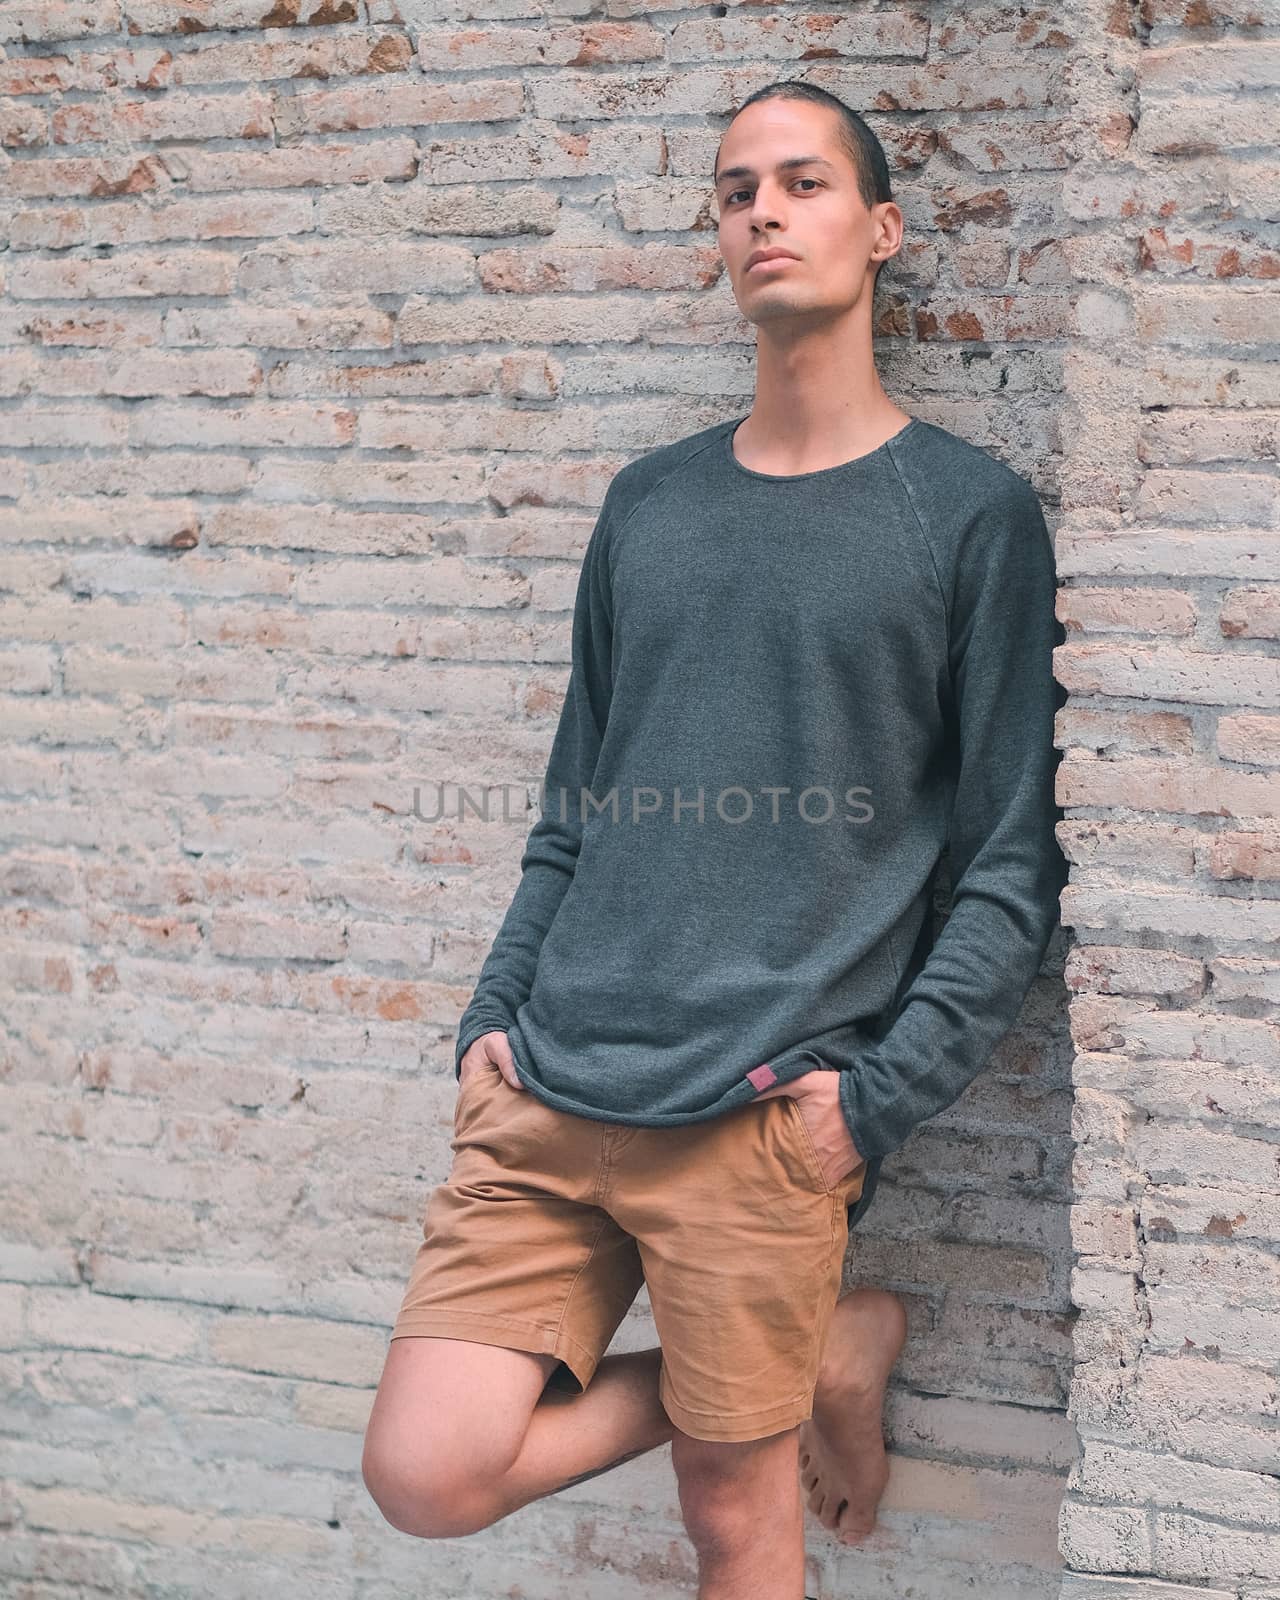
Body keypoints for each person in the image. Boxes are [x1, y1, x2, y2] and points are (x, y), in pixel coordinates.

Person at [362, 78, 1068, 1597]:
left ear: (880, 230)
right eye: (738, 190)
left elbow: (1008, 866)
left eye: (805, 183)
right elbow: (576, 805)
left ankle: (813, 1333)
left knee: (733, 1525)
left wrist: (868, 1109)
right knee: (426, 1473)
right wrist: (493, 1015)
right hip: (552, 1082)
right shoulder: (650, 506)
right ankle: (826, 1338)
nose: (765, 212)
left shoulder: (970, 516)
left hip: (762, 1117)